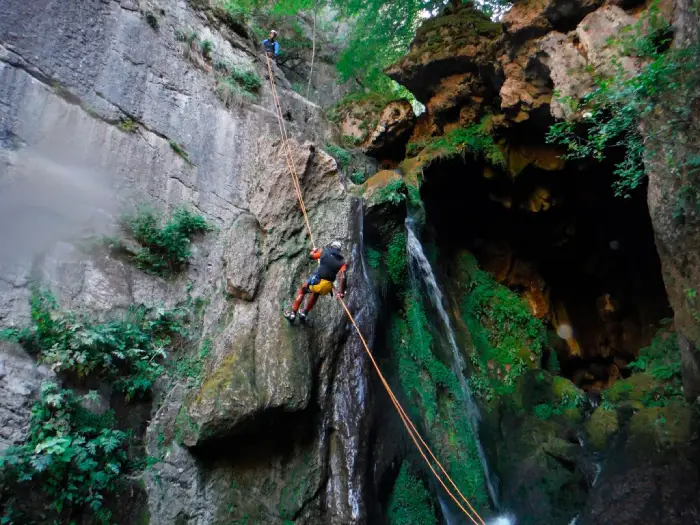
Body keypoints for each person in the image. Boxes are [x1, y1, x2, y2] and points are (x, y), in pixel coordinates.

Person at [285, 240, 348, 324]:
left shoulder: (324, 251)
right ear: (339, 250)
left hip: (317, 281)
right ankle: (304, 313)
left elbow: (311, 256)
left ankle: (292, 314)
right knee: (316, 294)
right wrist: (341, 292)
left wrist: (314, 251)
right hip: (326, 287)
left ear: (331, 246)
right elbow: (343, 276)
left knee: (302, 290)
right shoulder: (342, 262)